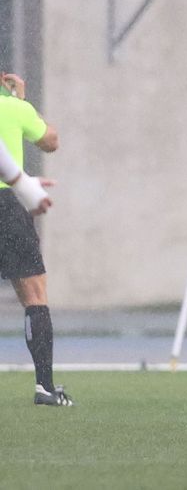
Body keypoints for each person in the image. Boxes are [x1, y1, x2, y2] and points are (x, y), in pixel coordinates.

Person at [0, 73, 68, 407]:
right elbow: (51, 141)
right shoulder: (12, 108)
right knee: (34, 295)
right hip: (8, 205)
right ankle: (44, 386)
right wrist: (23, 103)